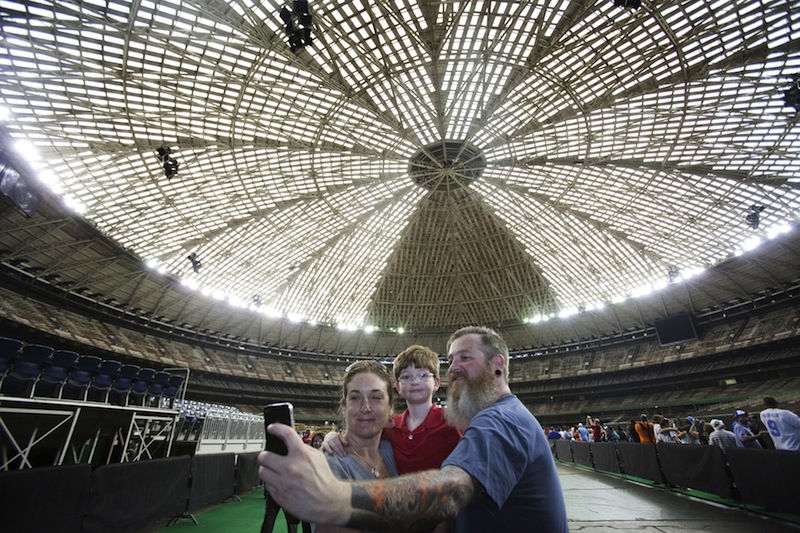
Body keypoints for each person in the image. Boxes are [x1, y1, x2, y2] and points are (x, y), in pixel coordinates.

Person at [258, 326, 569, 532]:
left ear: (497, 365)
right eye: (451, 360)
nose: (455, 367)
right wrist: (332, 437)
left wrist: (336, 497)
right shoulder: (392, 440)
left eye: (465, 357)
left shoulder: (499, 421)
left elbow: (453, 488)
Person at [316, 360, 399, 533]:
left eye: (376, 397)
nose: (366, 407)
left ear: (390, 407)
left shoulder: (391, 450)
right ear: (344, 407)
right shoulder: (331, 465)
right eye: (355, 398)